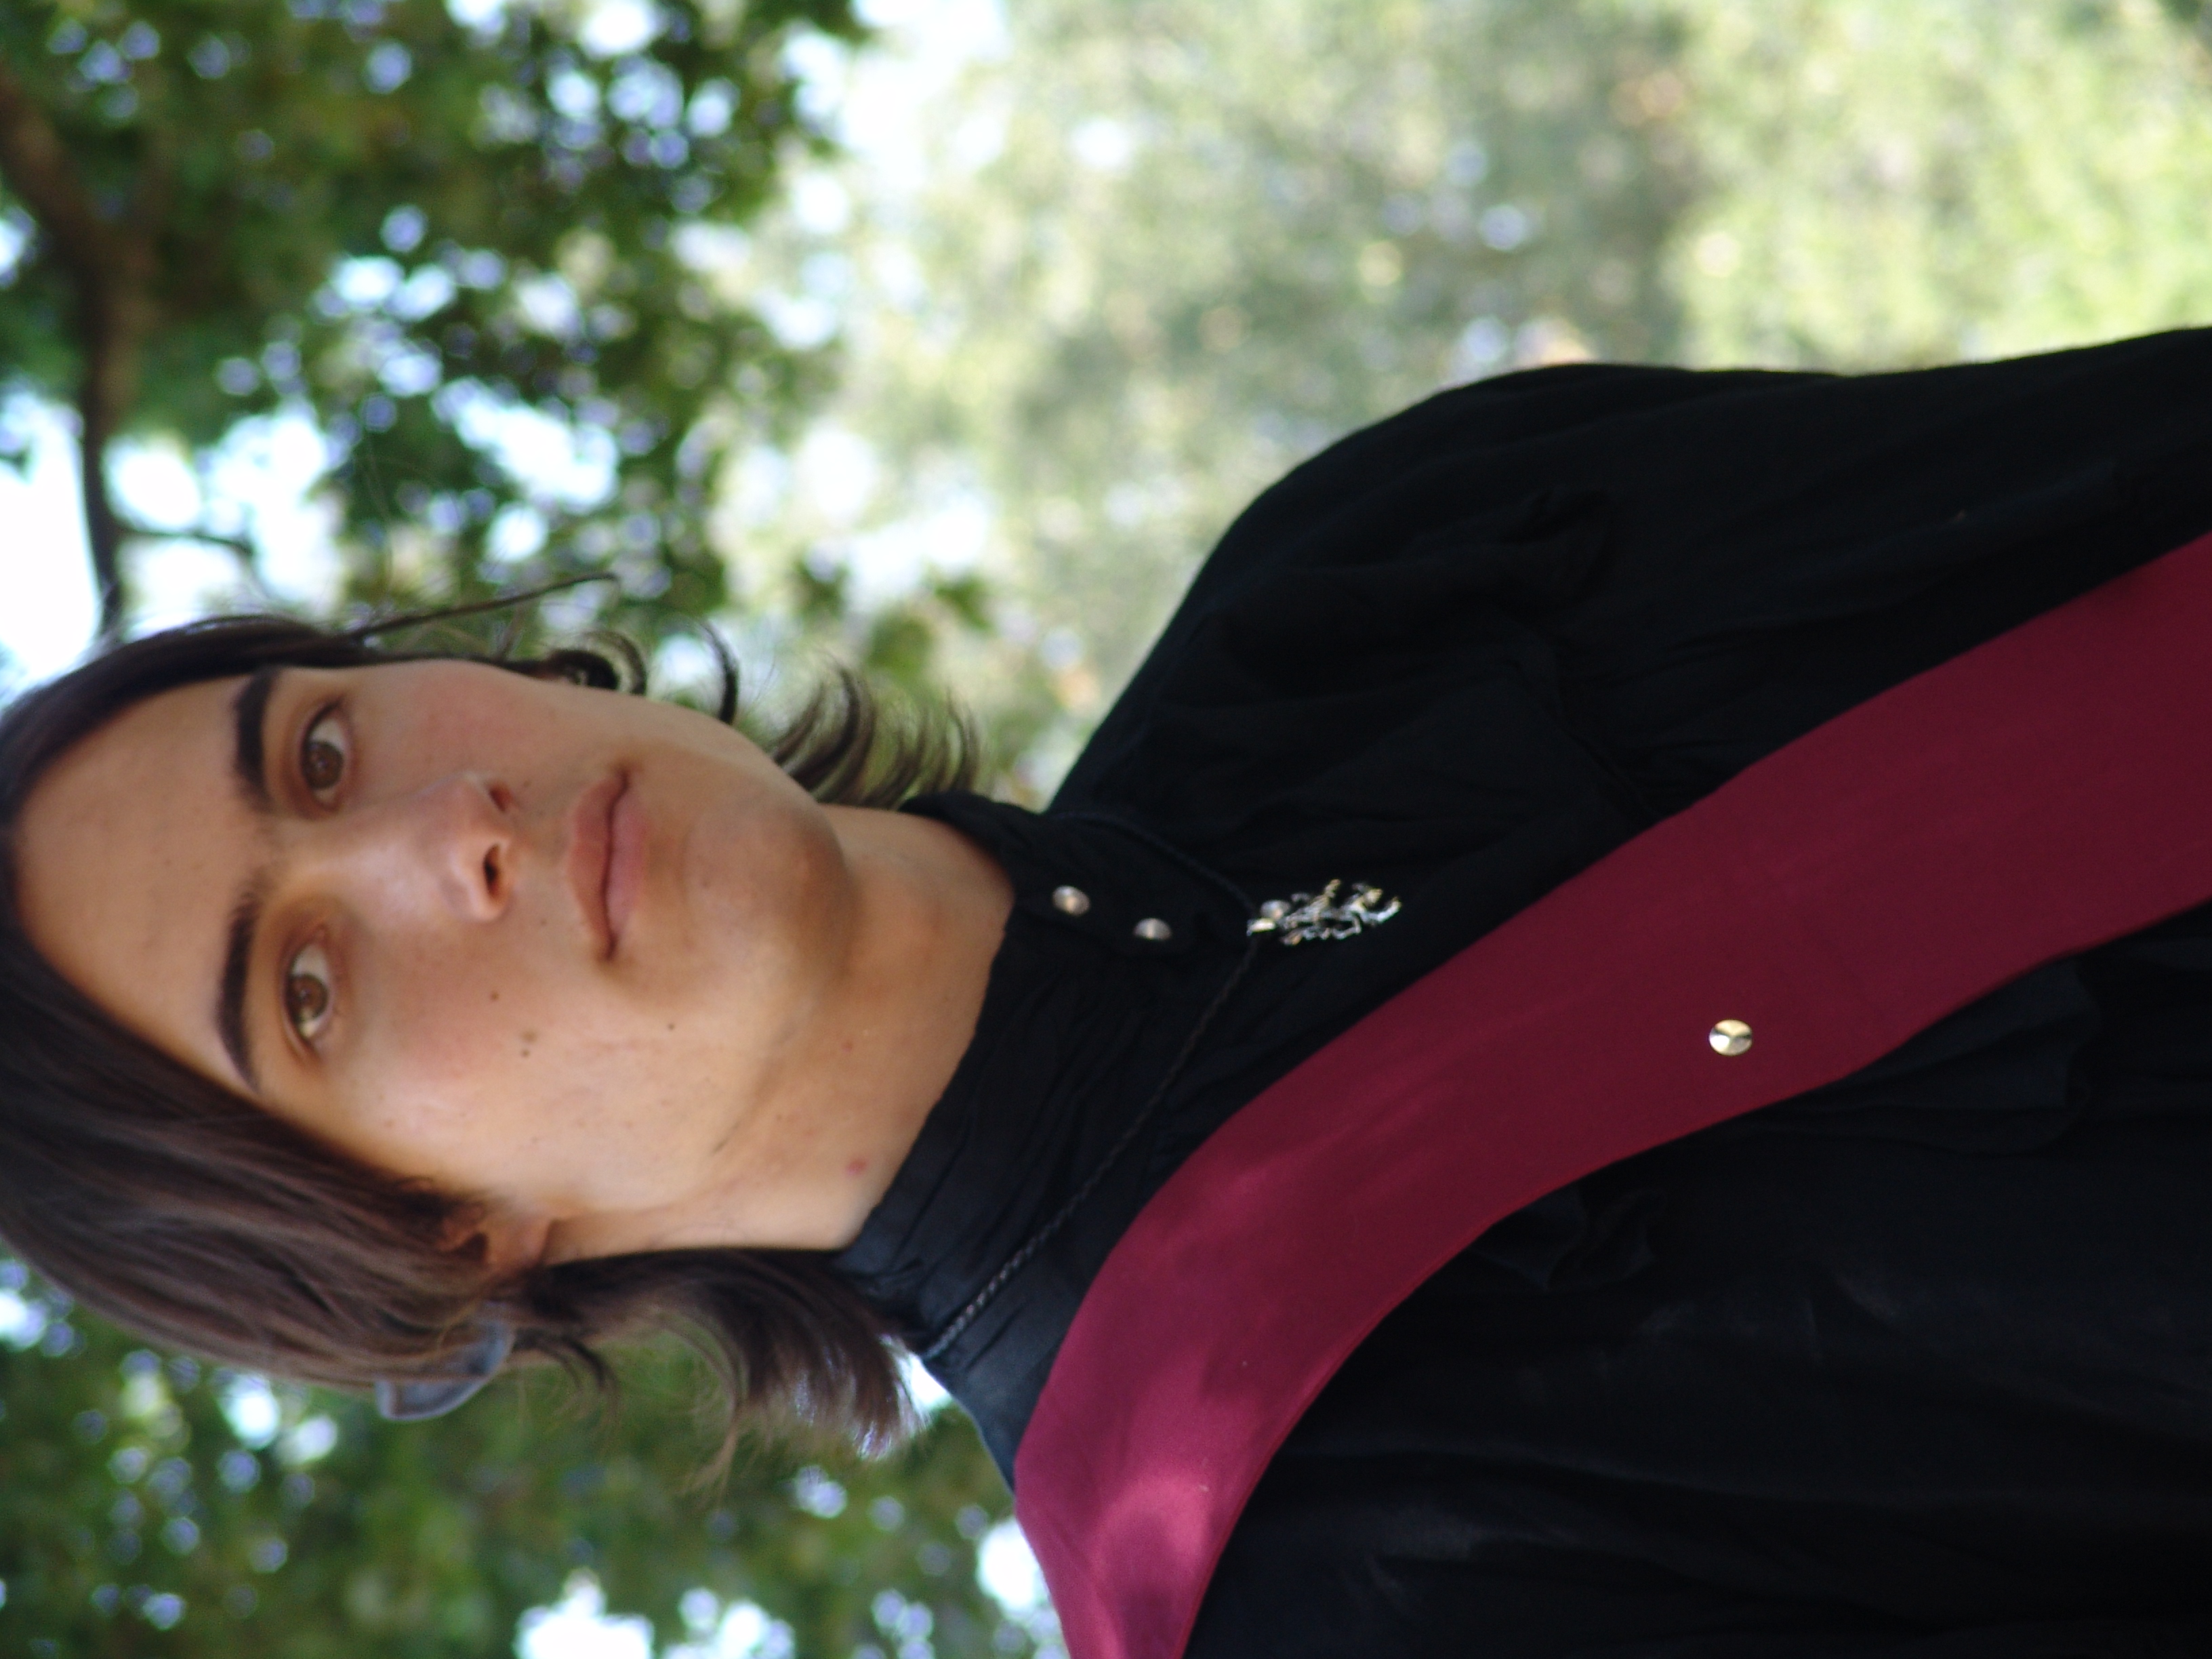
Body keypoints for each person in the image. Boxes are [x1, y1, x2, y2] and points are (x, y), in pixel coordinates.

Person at [5, 327, 2212, 1656]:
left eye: (321, 750)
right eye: (310, 989)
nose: (438, 842)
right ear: (444, 1240)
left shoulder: (1368, 571)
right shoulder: (1291, 1585)